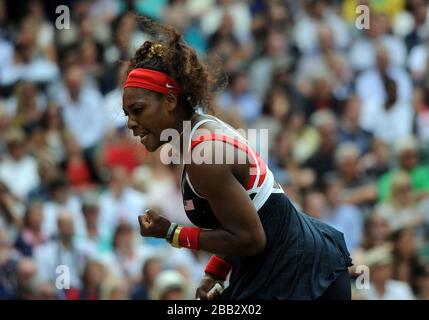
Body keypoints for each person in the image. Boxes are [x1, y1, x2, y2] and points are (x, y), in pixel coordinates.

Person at [121, 18, 352, 300]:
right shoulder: (200, 134)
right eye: (127, 114)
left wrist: (172, 232)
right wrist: (215, 273)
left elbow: (250, 238)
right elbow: (241, 219)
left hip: (302, 275)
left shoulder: (204, 154)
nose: (131, 123)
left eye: (138, 110)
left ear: (169, 101)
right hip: (291, 266)